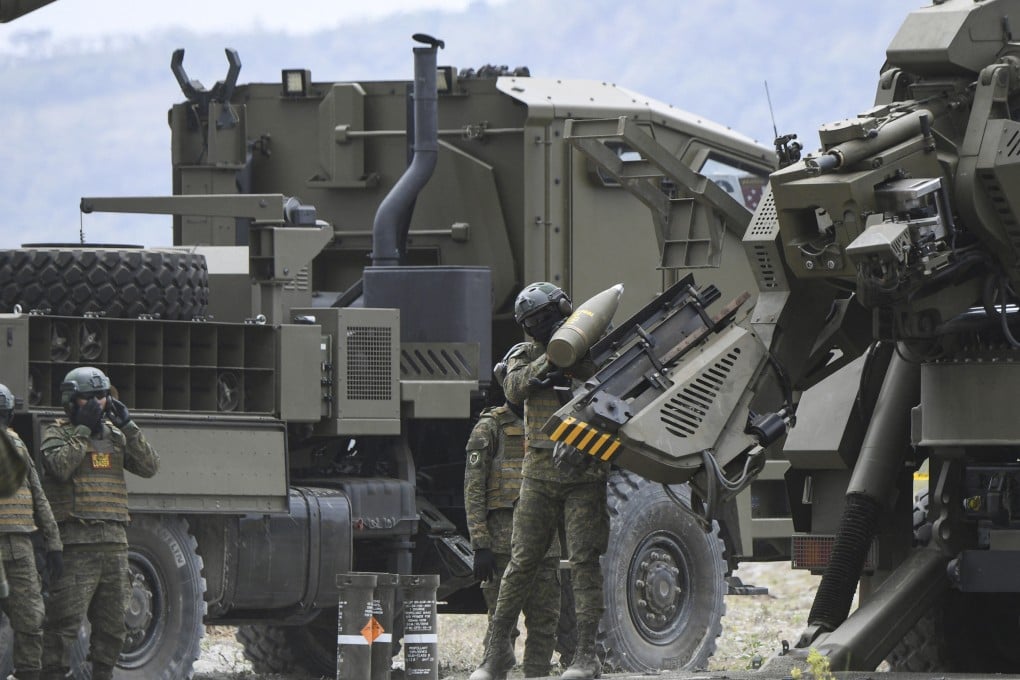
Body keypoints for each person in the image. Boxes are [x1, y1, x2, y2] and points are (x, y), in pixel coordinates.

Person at [471, 282, 608, 680]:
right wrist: (554, 358)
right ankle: (496, 654)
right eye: (532, 322)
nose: (539, 327)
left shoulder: (595, 351)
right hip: (538, 475)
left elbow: (615, 397)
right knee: (521, 563)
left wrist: (576, 357)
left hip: (584, 473)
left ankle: (586, 656)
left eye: (544, 318)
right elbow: (514, 387)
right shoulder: (525, 355)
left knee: (584, 563)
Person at [39, 367, 160, 680]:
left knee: (113, 629)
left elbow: (150, 466)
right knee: (62, 626)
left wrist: (128, 425)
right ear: (71, 401)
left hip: (114, 545)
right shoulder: (57, 434)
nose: (97, 403)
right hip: (76, 545)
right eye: (88, 398)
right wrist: (82, 430)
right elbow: (60, 467)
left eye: (102, 396)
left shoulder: (115, 436)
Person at [464, 359, 560, 678]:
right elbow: (474, 489)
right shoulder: (490, 427)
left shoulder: (551, 424)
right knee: (502, 622)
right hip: (502, 544)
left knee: (545, 621)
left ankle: (537, 673)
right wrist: (480, 544)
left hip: (545, 545)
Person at [0, 384, 61, 680]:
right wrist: (54, 543)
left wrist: (54, 544)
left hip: (19, 547)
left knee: (30, 620)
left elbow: (38, 497)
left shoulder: (19, 448)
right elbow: (40, 499)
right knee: (30, 621)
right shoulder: (18, 447)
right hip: (18, 547)